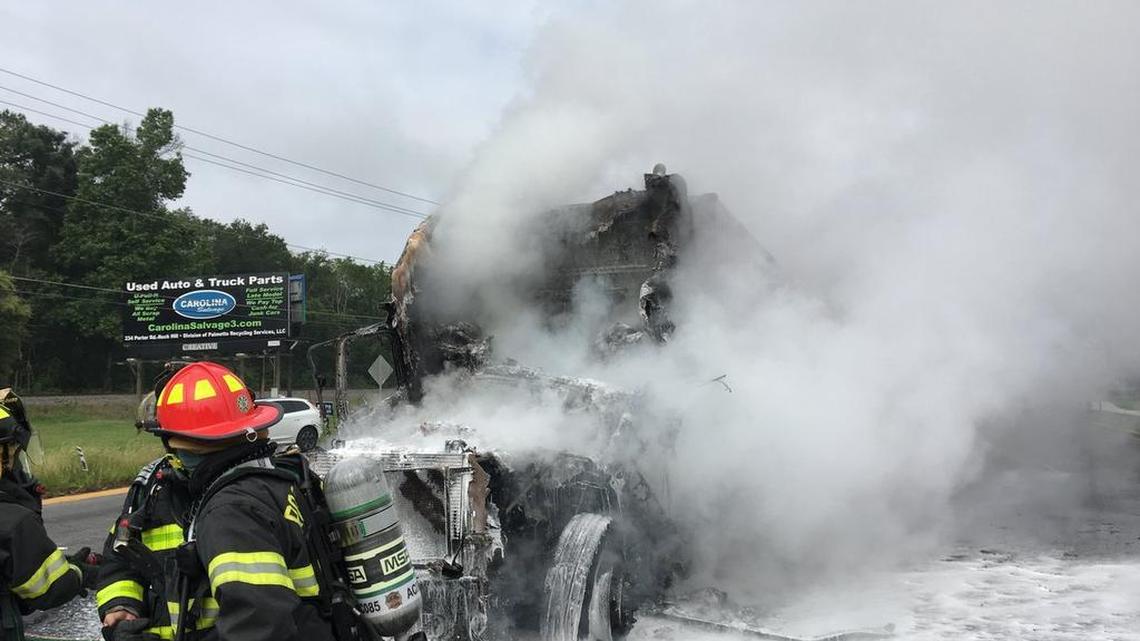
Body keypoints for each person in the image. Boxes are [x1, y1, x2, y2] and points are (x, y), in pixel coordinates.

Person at [106, 362, 333, 641]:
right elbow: (119, 555)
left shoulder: (233, 510)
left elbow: (259, 631)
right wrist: (120, 605)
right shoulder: (155, 489)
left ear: (174, 439)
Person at [0, 389, 98, 641]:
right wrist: (78, 573)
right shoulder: (13, 522)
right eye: (12, 454)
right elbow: (48, 589)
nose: (14, 467)